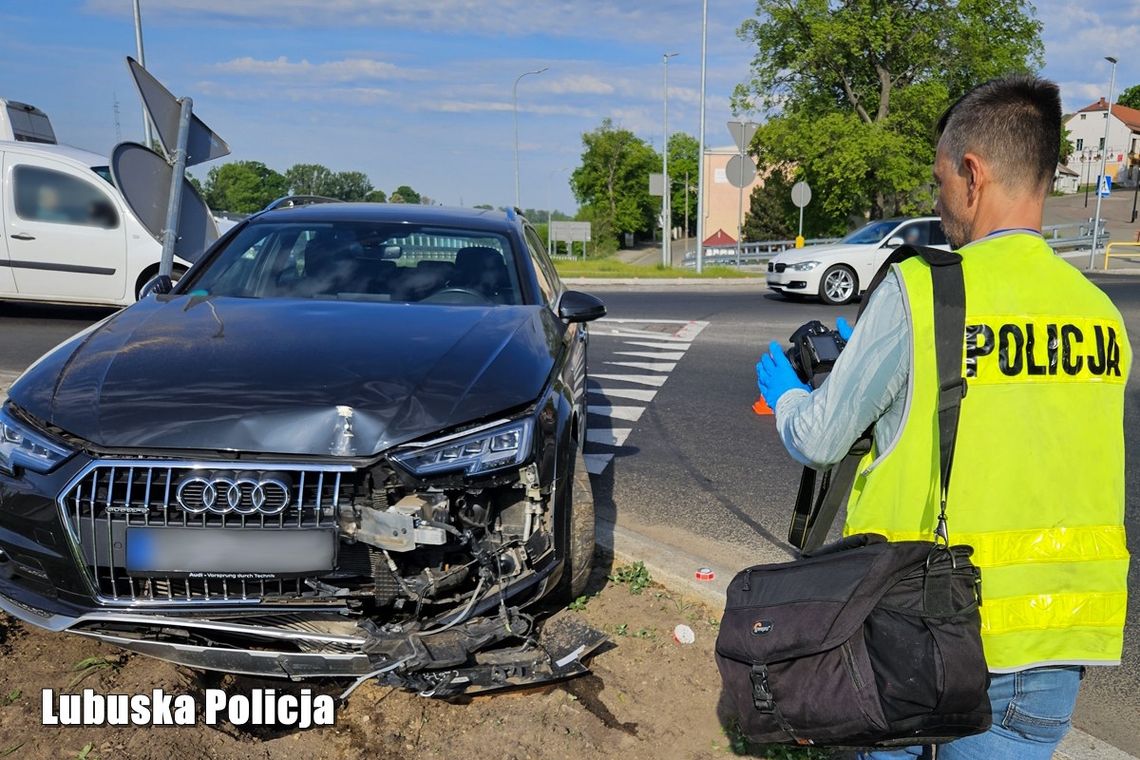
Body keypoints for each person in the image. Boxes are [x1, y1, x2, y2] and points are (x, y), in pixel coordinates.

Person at [756, 75, 1130, 760]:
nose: (938, 201)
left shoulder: (922, 290)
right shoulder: (1099, 315)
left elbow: (820, 437)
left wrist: (789, 396)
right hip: (1059, 643)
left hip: (922, 627)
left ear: (971, 174)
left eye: (938, 181)